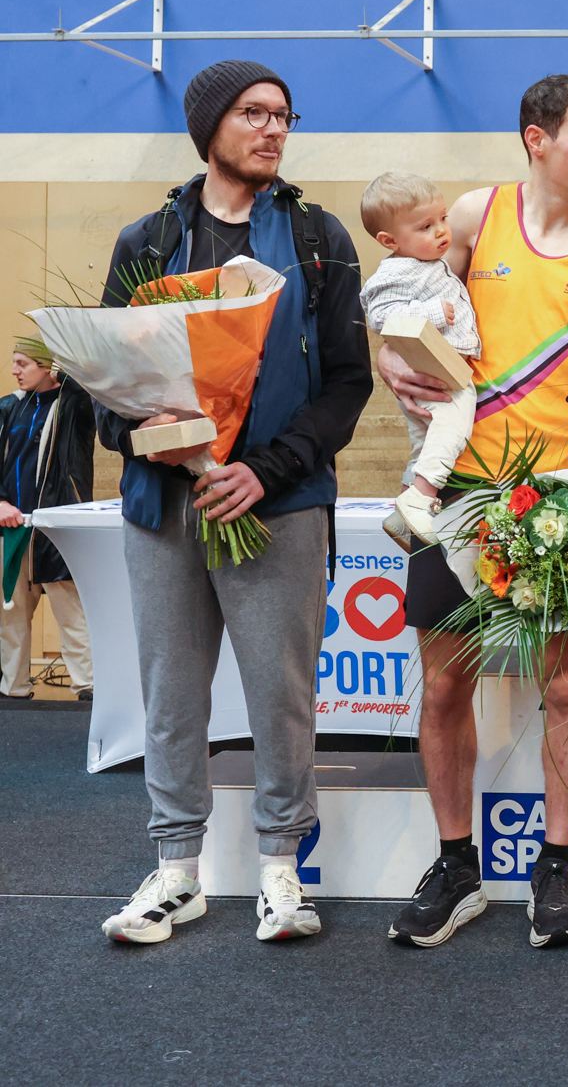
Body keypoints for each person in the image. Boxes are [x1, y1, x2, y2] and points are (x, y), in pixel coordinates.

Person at [378, 74, 568, 950]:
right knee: (444, 684)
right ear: (538, 139)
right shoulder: (472, 217)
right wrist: (390, 362)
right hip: (462, 492)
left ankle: (556, 867)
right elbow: (409, 315)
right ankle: (456, 865)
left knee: (567, 688)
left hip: (563, 503)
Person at [96, 60, 372, 944]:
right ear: (209, 126)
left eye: (284, 115)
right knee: (170, 694)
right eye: (254, 113)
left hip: (276, 502)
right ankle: (177, 871)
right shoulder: (148, 241)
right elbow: (105, 389)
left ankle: (281, 870)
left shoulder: (319, 238)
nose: (273, 129)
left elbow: (348, 384)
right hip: (165, 506)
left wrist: (267, 470)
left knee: (280, 694)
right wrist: (152, 434)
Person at [358, 172, 482, 545]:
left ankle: (402, 516)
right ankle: (422, 497)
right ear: (389, 241)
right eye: (425, 226)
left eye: (443, 218)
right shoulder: (397, 270)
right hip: (432, 371)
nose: (441, 231)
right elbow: (380, 316)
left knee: (426, 443)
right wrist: (431, 312)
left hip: (434, 367)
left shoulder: (424, 261)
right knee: (454, 423)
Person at [0, 342, 96, 700]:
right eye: (14, 363)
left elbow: (92, 385)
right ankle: (13, 688)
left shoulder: (76, 406)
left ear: (47, 366)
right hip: (15, 527)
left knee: (72, 612)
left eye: (23, 363)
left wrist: (63, 369)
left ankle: (88, 687)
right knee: (11, 614)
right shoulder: (9, 407)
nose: (15, 371)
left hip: (57, 528)